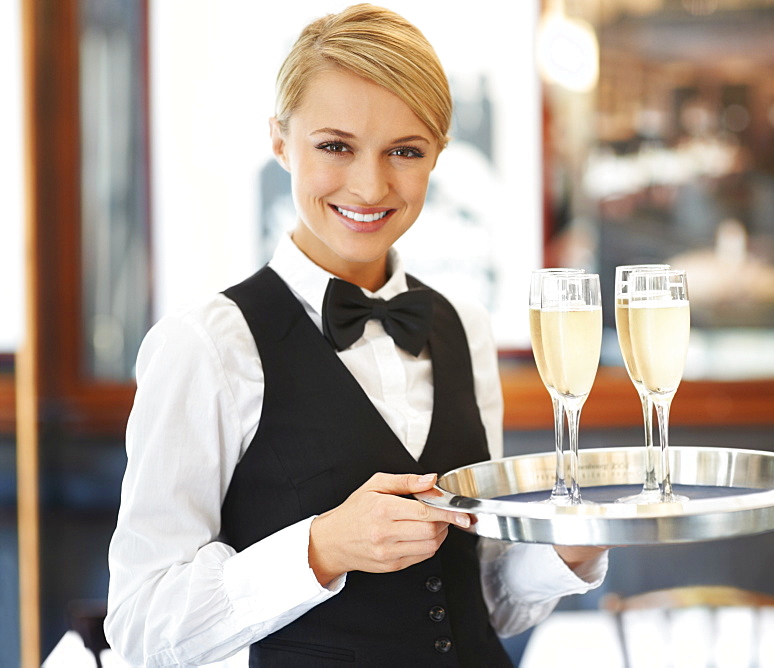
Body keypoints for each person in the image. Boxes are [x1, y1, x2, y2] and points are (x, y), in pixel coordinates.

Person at [104, 5, 609, 666]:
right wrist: (321, 549)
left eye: (405, 150)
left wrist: (567, 554)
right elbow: (141, 626)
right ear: (281, 140)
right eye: (335, 146)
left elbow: (476, 594)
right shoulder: (206, 347)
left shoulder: (465, 328)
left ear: (439, 156)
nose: (370, 184)